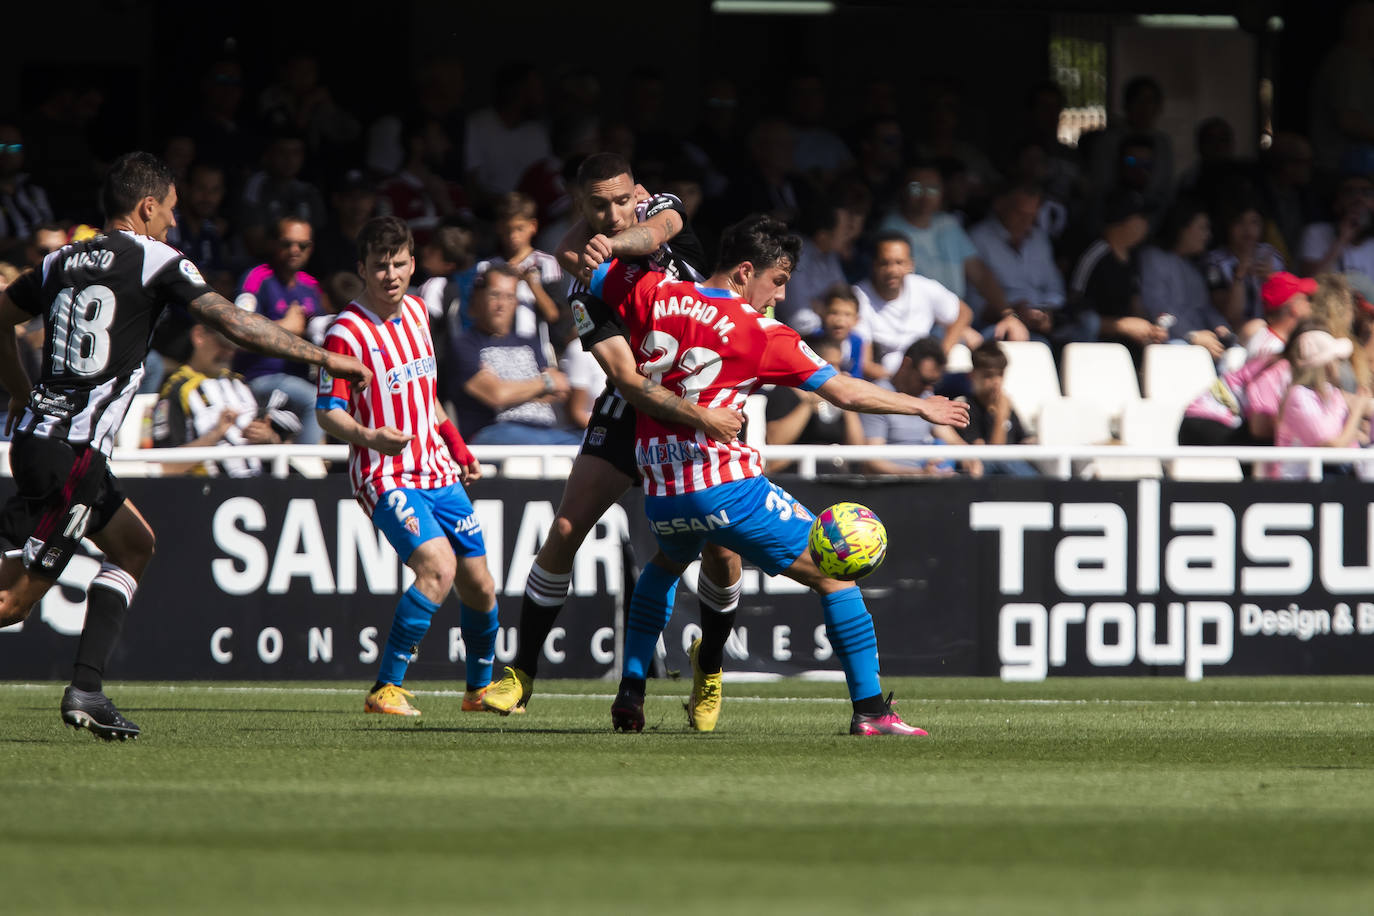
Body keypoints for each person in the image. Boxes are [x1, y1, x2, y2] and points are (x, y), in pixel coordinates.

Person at [0, 151, 369, 740]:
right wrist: (326, 357)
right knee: (14, 604)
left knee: (134, 545)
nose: (173, 222)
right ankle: (85, 690)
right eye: (170, 210)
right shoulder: (155, 258)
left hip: (42, 440)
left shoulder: (60, 260)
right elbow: (236, 323)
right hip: (74, 453)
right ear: (147, 207)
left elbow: (1, 316)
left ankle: (87, 691)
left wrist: (21, 393)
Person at [579, 214, 970, 735]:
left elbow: (589, 270)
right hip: (725, 486)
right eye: (778, 280)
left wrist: (606, 246)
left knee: (667, 566)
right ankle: (872, 712)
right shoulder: (760, 332)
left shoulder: (654, 292)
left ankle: (630, 694)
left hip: (662, 492)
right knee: (835, 571)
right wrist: (921, 409)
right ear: (745, 272)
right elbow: (845, 391)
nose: (780, 296)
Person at [480, 152, 744, 729]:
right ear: (582, 205)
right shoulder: (587, 288)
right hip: (636, 406)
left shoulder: (661, 215)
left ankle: (711, 663)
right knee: (567, 529)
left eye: (622, 199)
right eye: (598, 204)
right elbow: (624, 376)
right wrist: (585, 250)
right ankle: (521, 673)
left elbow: (656, 228)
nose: (614, 212)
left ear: (638, 191)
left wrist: (605, 242)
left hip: (705, 399)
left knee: (723, 555)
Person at [315, 216, 497, 717]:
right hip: (384, 473)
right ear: (362, 270)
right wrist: (369, 437)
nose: (390, 275)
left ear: (413, 264)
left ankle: (478, 691)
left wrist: (457, 446)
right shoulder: (345, 332)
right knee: (438, 569)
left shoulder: (418, 312)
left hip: (437, 469)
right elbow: (326, 411)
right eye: (380, 266)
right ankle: (385, 688)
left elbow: (428, 396)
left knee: (480, 584)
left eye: (399, 264)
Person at [446, 264, 579, 444]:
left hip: (545, 430)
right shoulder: (464, 346)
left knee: (584, 448)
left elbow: (559, 391)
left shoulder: (530, 343)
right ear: (478, 298)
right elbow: (497, 395)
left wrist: (511, 389)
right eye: (495, 295)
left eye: (509, 297)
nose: (502, 304)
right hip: (494, 431)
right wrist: (546, 382)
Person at [152, 321, 300, 477]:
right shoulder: (176, 389)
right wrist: (216, 434)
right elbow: (164, 467)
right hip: (207, 491)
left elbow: (289, 428)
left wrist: (268, 437)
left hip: (262, 487)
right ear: (199, 336)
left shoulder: (241, 383)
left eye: (232, 346)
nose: (229, 352)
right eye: (222, 344)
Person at [233, 216, 327, 443]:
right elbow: (237, 333)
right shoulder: (257, 277)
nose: (295, 250)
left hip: (300, 378)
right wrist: (286, 327)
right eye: (287, 244)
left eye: (302, 245)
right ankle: (307, 474)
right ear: (273, 244)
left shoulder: (311, 285)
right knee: (315, 401)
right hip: (260, 378)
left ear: (310, 248)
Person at [852, 232, 977, 380]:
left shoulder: (923, 287)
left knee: (962, 356)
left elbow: (963, 312)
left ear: (910, 265)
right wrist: (901, 381)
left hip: (928, 369)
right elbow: (864, 364)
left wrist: (941, 355)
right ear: (873, 265)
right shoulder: (858, 297)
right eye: (885, 263)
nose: (892, 270)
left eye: (899, 262)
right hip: (886, 378)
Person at [860, 337, 980, 478]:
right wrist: (919, 474)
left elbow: (950, 437)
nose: (929, 388)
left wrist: (971, 458)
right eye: (924, 381)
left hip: (927, 482)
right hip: (890, 487)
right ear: (906, 364)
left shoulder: (926, 395)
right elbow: (872, 462)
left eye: (934, 383)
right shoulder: (878, 397)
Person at [1137, 198, 1233, 359]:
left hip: (1204, 344)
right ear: (1183, 228)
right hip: (1171, 344)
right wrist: (1192, 335)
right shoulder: (1153, 258)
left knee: (1235, 353)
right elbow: (1156, 307)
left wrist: (1221, 327)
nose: (1207, 235)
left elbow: (1205, 309)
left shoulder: (1193, 270)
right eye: (1202, 228)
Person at [1270, 329, 1372, 479]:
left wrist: (1357, 429)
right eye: (1337, 360)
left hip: (1330, 478)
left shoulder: (1332, 393)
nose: (1341, 365)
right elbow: (1333, 447)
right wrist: (1356, 413)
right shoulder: (1297, 396)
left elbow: (1366, 406)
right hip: (1300, 488)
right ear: (1326, 365)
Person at [957, 341, 1036, 476]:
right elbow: (992, 457)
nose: (996, 381)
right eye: (988, 375)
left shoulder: (1006, 405)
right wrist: (1001, 417)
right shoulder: (965, 407)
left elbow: (1022, 439)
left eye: (1000, 374)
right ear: (972, 375)